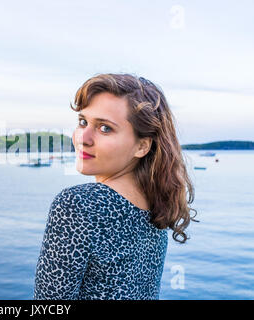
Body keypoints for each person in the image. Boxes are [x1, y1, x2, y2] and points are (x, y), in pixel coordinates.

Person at [33, 73, 198, 300]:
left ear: (142, 146)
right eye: (83, 122)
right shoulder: (157, 203)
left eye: (105, 128)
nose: (83, 138)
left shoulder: (78, 205)